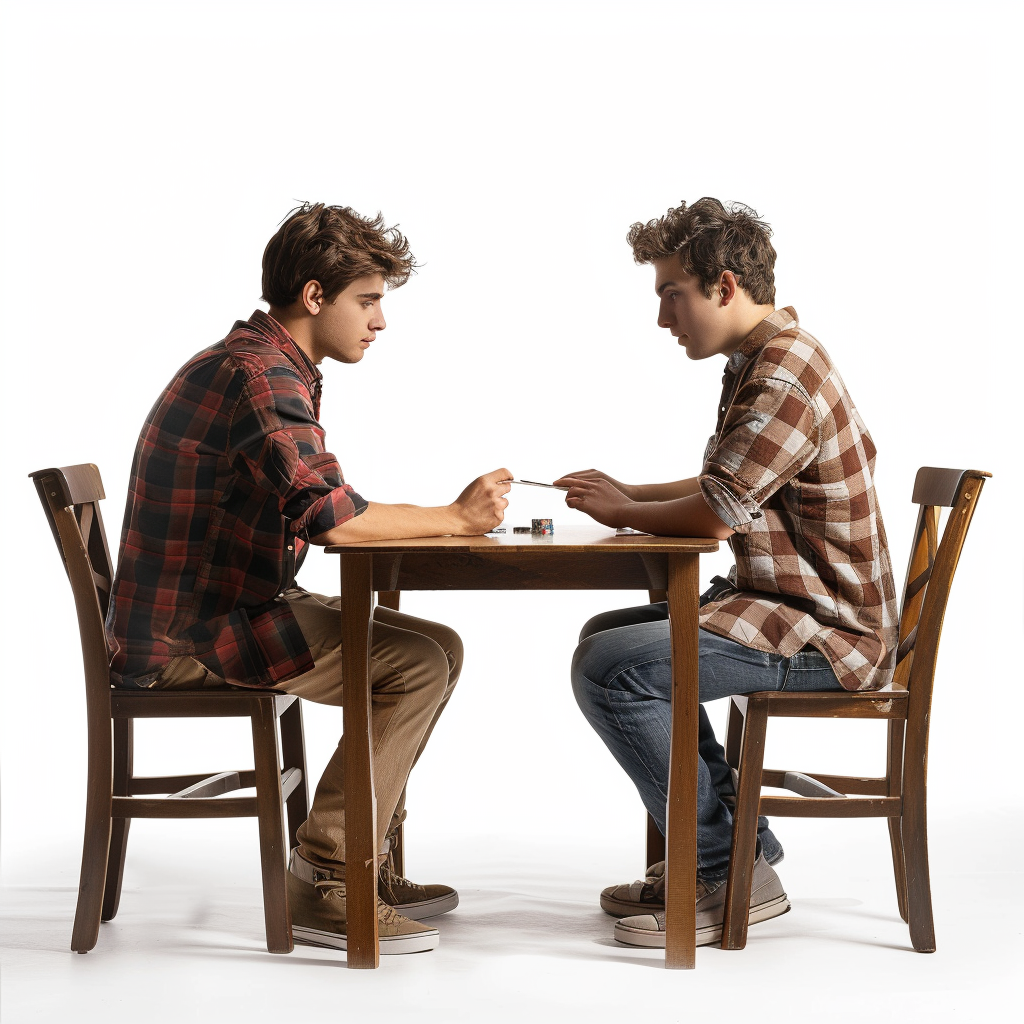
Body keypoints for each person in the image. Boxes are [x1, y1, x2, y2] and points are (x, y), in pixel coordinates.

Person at [105, 202, 512, 955]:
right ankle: (326, 879)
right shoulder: (257, 374)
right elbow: (334, 518)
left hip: (224, 607)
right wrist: (455, 518)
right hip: (190, 636)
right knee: (417, 666)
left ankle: (365, 861)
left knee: (440, 646)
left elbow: (325, 506)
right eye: (368, 299)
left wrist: (447, 517)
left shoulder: (265, 362)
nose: (380, 321)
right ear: (316, 297)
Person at [554, 198, 897, 949]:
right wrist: (632, 494)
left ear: (725, 285)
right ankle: (740, 854)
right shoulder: (764, 358)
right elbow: (730, 485)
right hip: (792, 611)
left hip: (827, 637)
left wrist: (623, 514)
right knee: (607, 636)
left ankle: (722, 871)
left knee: (616, 670)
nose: (663, 319)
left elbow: (715, 516)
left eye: (671, 294)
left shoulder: (783, 376)